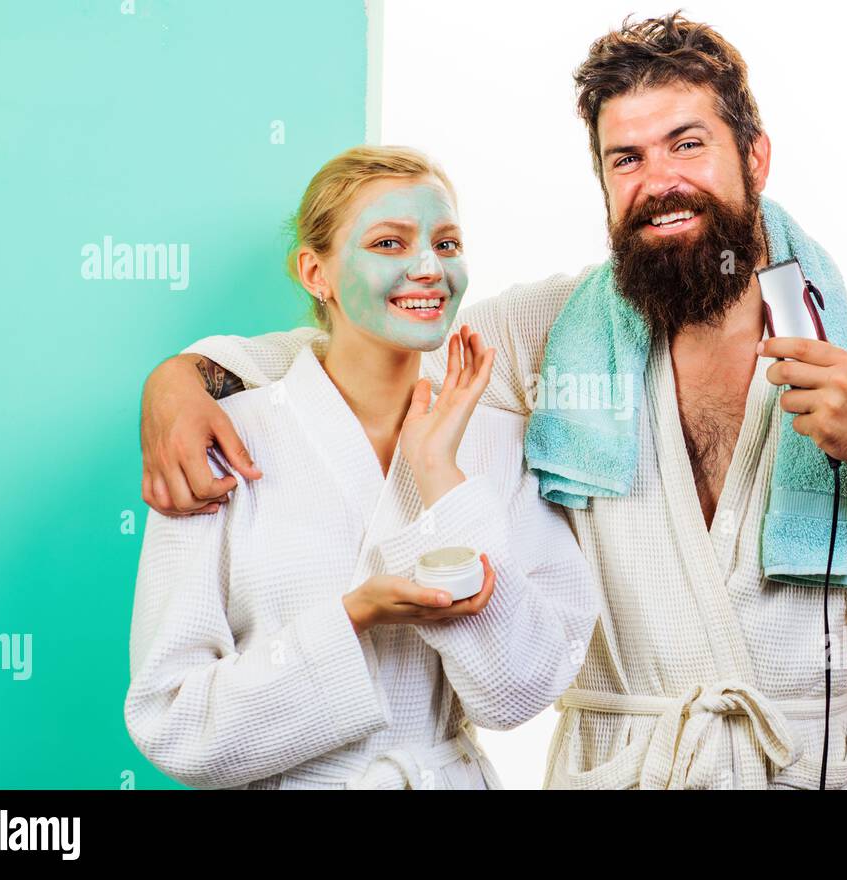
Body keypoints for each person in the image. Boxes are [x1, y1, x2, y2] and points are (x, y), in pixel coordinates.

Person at [136, 14, 847, 789]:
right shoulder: (548, 336)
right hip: (619, 765)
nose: (660, 181)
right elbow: (374, 341)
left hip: (799, 763)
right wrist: (185, 377)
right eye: (627, 158)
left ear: (755, 155)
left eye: (688, 144)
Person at [125, 145, 598, 789]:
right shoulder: (224, 439)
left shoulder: (502, 442)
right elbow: (172, 721)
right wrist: (353, 619)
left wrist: (438, 471)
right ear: (315, 273)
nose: (430, 267)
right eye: (389, 244)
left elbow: (518, 694)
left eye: (448, 243)